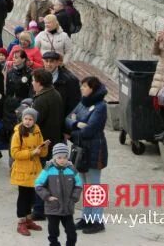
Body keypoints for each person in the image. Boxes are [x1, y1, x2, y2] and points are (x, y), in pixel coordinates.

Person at [66, 76, 109, 234]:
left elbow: (90, 130)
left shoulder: (100, 106)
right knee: (85, 185)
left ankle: (97, 221)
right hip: (81, 149)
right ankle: (87, 218)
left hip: (94, 150)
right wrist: (77, 123)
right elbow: (68, 119)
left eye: (85, 86)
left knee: (94, 186)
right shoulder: (83, 103)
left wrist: (72, 133)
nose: (82, 88)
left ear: (93, 88)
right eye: (82, 86)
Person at [30, 68, 64, 220]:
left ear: (39, 83)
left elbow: (34, 124)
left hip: (43, 144)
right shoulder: (55, 94)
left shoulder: (41, 100)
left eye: (33, 80)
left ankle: (39, 210)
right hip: (54, 141)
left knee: (40, 177)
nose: (32, 83)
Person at [34, 142, 82, 246]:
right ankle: (54, 243)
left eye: (65, 157)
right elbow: (38, 184)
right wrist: (47, 196)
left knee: (72, 233)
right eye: (59, 157)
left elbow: (79, 184)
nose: (62, 160)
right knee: (53, 231)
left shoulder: (71, 169)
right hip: (52, 208)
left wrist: (74, 197)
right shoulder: (48, 169)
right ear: (54, 157)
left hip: (67, 208)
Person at [11, 107, 49, 236]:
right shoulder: (18, 133)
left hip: (34, 170)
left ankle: (28, 219)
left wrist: (44, 147)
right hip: (23, 171)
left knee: (31, 197)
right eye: (25, 118)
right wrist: (32, 152)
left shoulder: (37, 132)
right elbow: (14, 153)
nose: (27, 121)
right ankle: (21, 222)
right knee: (23, 197)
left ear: (34, 121)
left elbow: (42, 154)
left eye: (30, 119)